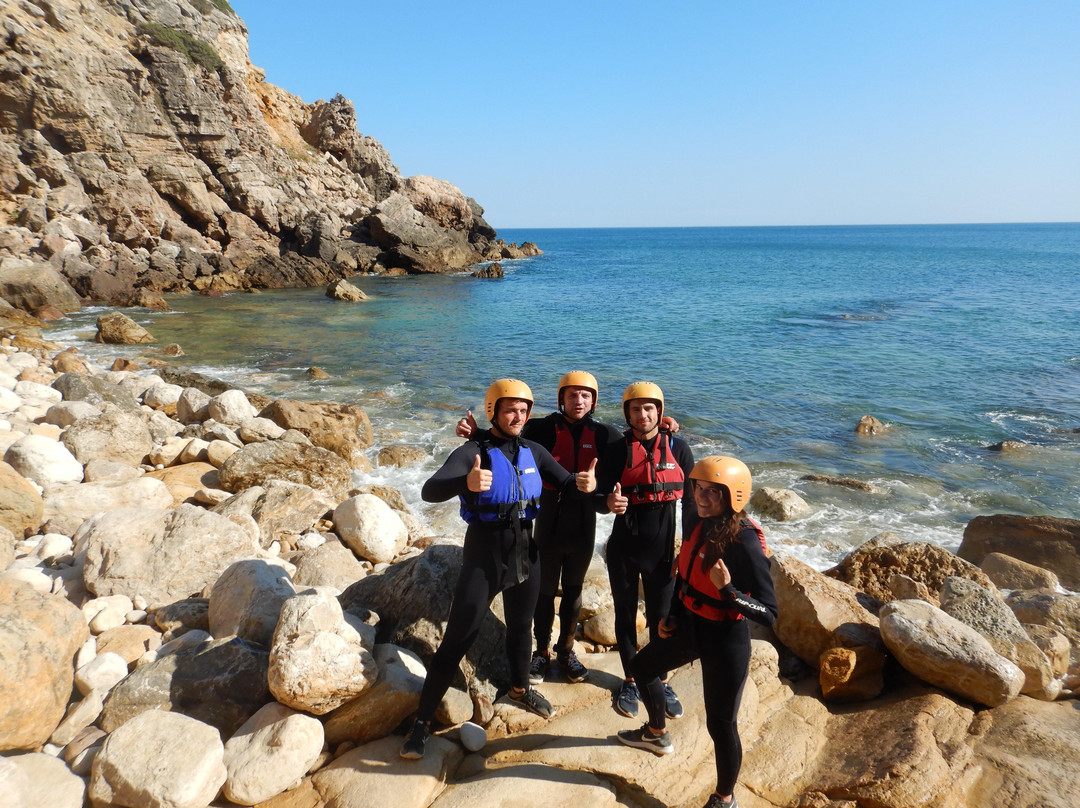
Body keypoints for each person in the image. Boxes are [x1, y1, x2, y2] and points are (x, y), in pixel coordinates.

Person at [400, 379, 598, 760]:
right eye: (511, 410)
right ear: (493, 411)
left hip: (527, 553)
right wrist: (466, 481)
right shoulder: (472, 451)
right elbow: (430, 489)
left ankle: (521, 689)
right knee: (459, 637)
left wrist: (590, 488)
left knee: (521, 627)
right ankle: (421, 723)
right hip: (484, 555)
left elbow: (567, 484)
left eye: (524, 411)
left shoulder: (535, 451)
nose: (519, 417)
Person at [616, 456, 778, 808]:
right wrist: (671, 613)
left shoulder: (745, 543)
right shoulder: (695, 519)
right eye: (698, 489)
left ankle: (725, 798)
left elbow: (769, 614)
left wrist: (730, 591)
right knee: (642, 669)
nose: (701, 498)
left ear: (733, 496)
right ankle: (656, 733)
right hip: (689, 624)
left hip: (725, 638)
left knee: (721, 724)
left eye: (712, 492)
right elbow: (684, 574)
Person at [600, 381, 697, 720]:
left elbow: (692, 505)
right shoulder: (616, 449)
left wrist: (690, 548)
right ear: (628, 413)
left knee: (663, 618)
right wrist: (608, 501)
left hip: (663, 554)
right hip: (624, 550)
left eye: (649, 408)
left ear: (660, 411)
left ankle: (659, 678)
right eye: (636, 409)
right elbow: (598, 498)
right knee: (625, 617)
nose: (642, 415)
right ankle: (630, 678)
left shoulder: (679, 449)